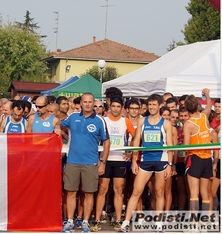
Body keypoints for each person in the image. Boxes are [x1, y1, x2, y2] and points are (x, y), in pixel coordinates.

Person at [118, 94, 173, 232]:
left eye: (154, 105)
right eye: (150, 105)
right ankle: (125, 223)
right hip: (145, 160)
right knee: (136, 191)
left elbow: (170, 146)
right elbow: (136, 141)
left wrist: (170, 165)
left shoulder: (166, 123)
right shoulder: (143, 121)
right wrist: (134, 162)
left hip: (161, 160)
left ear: (160, 105)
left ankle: (159, 225)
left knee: (159, 192)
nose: (152, 107)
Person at [56, 93, 110, 233]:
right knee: (71, 192)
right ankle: (70, 222)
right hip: (73, 161)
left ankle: (85, 222)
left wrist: (103, 161)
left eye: (90, 102)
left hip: (91, 162)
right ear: (81, 103)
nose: (87, 104)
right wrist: (57, 127)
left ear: (93, 104)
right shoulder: (73, 116)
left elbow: (106, 141)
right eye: (84, 102)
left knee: (88, 193)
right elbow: (59, 123)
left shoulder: (99, 120)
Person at [91, 96, 135, 232]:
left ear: (122, 108)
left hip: (120, 160)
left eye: (118, 106)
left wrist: (131, 152)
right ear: (110, 107)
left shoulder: (125, 121)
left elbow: (136, 136)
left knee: (118, 190)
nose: (115, 109)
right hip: (105, 159)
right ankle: (97, 220)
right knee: (102, 190)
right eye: (113, 106)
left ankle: (118, 220)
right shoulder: (102, 120)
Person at [183, 89, 213, 213]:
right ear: (197, 105)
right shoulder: (204, 116)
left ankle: (194, 224)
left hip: (195, 158)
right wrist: (207, 94)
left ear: (186, 108)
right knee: (205, 193)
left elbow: (185, 146)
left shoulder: (188, 124)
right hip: (207, 158)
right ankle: (204, 224)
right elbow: (209, 105)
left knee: (194, 193)